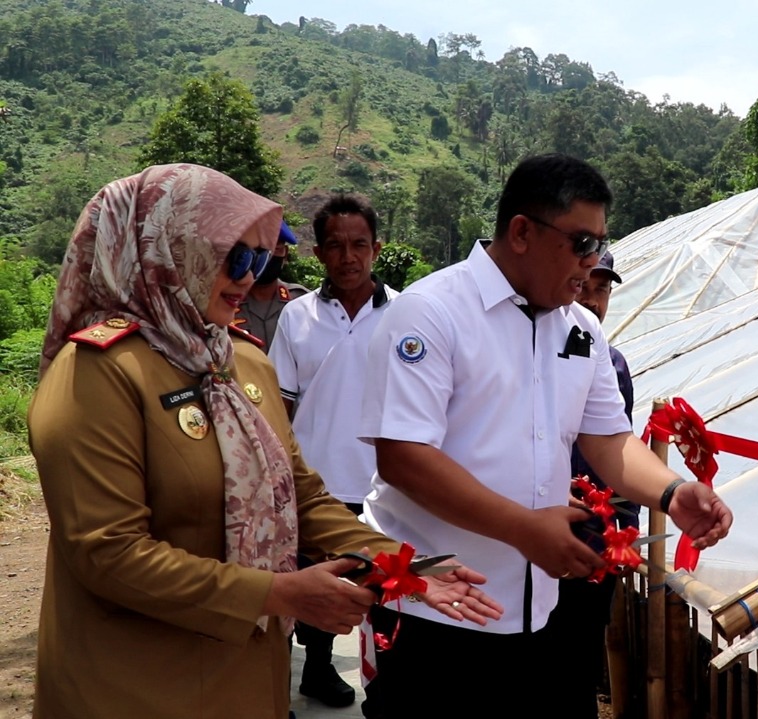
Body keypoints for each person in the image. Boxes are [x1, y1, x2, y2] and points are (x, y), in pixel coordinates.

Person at [27, 163, 501, 719]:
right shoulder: (98, 373)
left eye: (261, 258)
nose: (250, 276)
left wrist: (399, 566)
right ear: (166, 251)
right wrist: (278, 595)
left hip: (248, 676)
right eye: (235, 256)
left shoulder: (241, 359)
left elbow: (301, 495)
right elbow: (106, 554)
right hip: (136, 684)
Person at [358, 153, 733, 714]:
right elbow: (404, 457)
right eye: (582, 243)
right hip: (437, 608)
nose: (592, 262)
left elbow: (609, 440)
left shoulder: (580, 330)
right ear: (521, 232)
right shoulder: (431, 312)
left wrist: (673, 493)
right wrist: (523, 529)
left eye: (601, 245)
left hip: (541, 613)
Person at [269, 193, 396, 709]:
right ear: (318, 253)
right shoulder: (296, 317)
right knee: (323, 588)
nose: (349, 257)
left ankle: (388, 687)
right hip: (316, 487)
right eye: (336, 246)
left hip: (385, 484)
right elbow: (279, 405)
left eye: (359, 245)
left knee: (388, 587)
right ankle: (317, 670)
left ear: (377, 248)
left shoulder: (406, 315)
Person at [544, 249, 635, 717]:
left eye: (604, 289)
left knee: (576, 665)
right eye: (587, 286)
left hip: (588, 546)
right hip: (530, 537)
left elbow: (617, 454)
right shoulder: (530, 351)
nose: (595, 300)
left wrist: (614, 543)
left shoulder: (611, 364)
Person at [232, 221, 308, 350]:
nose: (269, 257)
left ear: (285, 255)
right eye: (262, 250)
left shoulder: (303, 302)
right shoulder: (228, 302)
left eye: (277, 249)